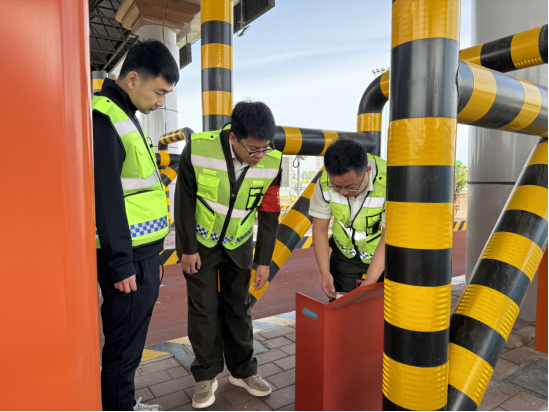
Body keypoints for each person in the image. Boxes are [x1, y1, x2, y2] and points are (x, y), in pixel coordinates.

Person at [174, 102, 282, 409]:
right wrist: (188, 248)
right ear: (233, 137)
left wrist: (263, 260)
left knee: (239, 308)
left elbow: (270, 211)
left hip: (239, 245)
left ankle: (243, 371)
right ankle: (205, 376)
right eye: (253, 149)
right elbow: (183, 200)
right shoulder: (198, 149)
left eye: (265, 148)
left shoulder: (272, 161)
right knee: (203, 310)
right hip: (202, 246)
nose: (260, 155)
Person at [93, 39, 179, 411]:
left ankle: (123, 403)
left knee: (130, 342)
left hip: (143, 253)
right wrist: (121, 262)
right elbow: (106, 196)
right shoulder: (106, 116)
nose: (161, 101)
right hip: (128, 259)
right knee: (123, 346)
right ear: (132, 78)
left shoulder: (124, 113)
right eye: (159, 92)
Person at [310, 138, 386, 300]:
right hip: (345, 254)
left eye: (351, 187)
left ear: (367, 170)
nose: (343, 193)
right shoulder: (324, 183)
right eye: (336, 186)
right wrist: (325, 273)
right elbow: (319, 229)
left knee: (384, 309)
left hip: (383, 255)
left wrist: (369, 283)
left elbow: (389, 235)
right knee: (342, 307)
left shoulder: (390, 182)